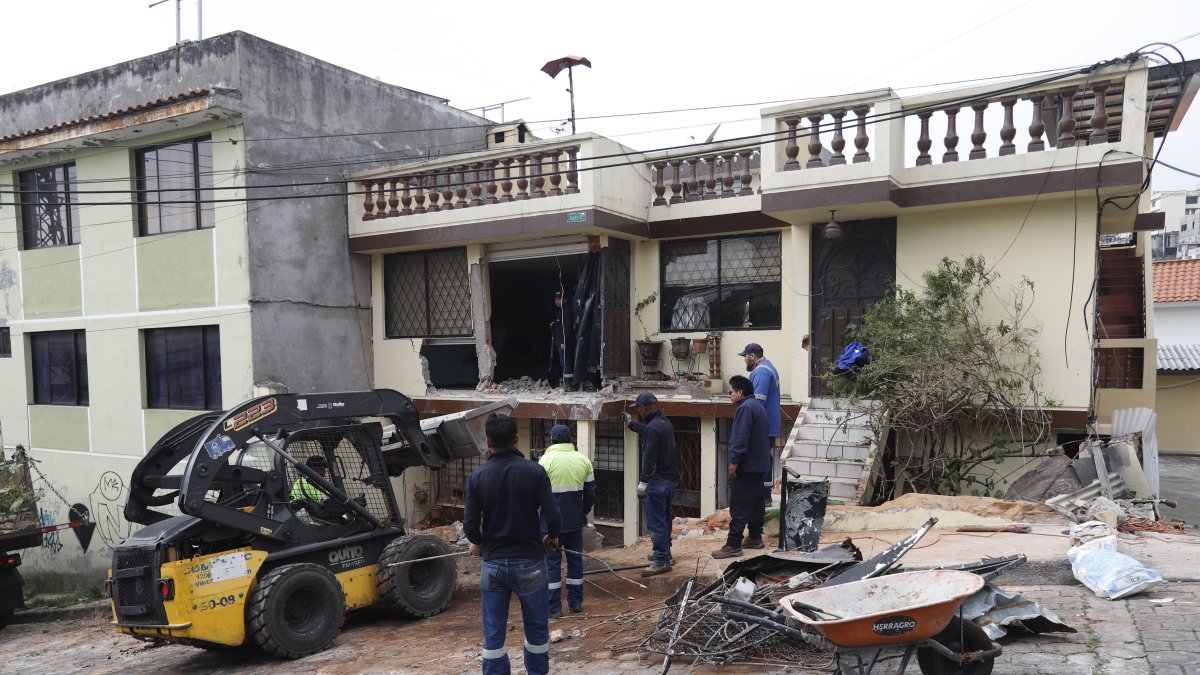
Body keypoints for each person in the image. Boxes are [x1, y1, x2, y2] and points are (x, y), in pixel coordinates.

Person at [464, 414, 562, 675]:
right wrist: (551, 537)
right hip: (530, 561)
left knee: (493, 633)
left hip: (494, 564)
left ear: (488, 443)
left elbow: (470, 525)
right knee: (537, 629)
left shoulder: (477, 476)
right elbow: (553, 515)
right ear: (516, 439)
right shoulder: (534, 471)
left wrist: (478, 543)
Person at [538, 424, 595, 618]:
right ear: (570, 440)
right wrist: (582, 512)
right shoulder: (583, 460)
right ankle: (576, 603)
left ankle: (554, 608)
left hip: (550, 525)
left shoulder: (545, 460)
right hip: (574, 522)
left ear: (552, 440)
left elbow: (537, 495)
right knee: (575, 561)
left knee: (552, 563)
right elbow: (590, 493)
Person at [713, 375, 771, 559]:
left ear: (740, 392)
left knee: (739, 504)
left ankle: (733, 544)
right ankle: (755, 537)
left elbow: (740, 437)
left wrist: (734, 462)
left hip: (747, 466)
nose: (729, 394)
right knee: (755, 502)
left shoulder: (745, 408)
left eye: (731, 392)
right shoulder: (757, 407)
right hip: (760, 466)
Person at [624, 391, 678, 577]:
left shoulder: (654, 428)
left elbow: (649, 457)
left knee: (656, 522)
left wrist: (643, 482)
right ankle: (666, 553)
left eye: (638, 408)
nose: (638, 411)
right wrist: (631, 424)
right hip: (670, 480)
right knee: (664, 518)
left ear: (645, 408)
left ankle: (661, 559)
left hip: (657, 481)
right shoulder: (664, 423)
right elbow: (647, 430)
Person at [738, 342, 781, 501]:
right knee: (763, 458)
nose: (744, 360)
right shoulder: (767, 368)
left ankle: (763, 496)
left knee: (759, 460)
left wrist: (747, 424)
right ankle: (764, 495)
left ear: (752, 356)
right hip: (767, 425)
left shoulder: (761, 372)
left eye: (745, 356)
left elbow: (757, 402)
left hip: (762, 427)